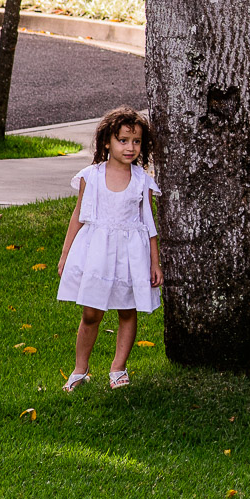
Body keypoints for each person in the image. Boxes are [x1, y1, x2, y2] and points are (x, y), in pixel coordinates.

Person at [57, 107, 163, 391]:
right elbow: (78, 215)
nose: (130, 147)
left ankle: (118, 368)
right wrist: (65, 255)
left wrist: (155, 262)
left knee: (127, 310)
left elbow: (149, 223)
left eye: (136, 141)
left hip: (131, 255)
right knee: (92, 312)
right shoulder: (90, 176)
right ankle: (80, 368)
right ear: (107, 142)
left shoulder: (142, 180)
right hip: (98, 254)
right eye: (123, 140)